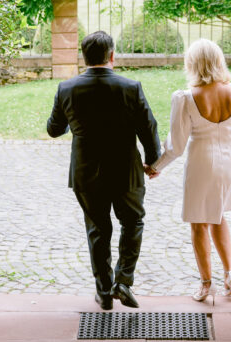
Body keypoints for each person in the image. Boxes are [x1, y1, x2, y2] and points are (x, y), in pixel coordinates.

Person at [47, 30, 160, 311]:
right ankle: (123, 281)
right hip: (126, 171)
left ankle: (104, 292)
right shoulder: (130, 87)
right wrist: (153, 161)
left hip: (86, 172)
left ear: (84, 58)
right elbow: (149, 128)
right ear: (112, 56)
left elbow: (53, 129)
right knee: (132, 223)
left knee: (98, 229)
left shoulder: (66, 88)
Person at [146, 39, 231, 305]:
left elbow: (176, 146)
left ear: (193, 64)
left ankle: (206, 284)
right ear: (219, 60)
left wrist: (156, 167)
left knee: (199, 224)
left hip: (201, 162)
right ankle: (230, 277)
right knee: (219, 216)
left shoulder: (186, 98)